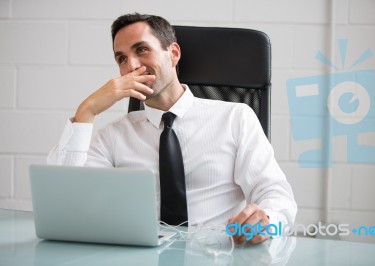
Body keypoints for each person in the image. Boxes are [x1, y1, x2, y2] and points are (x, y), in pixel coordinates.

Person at [47, 13, 297, 245]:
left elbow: (277, 197)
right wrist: (86, 111)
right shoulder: (114, 136)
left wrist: (267, 223)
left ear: (173, 53)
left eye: (142, 50)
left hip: (218, 254)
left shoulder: (235, 118)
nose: (131, 65)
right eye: (121, 58)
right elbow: (66, 204)